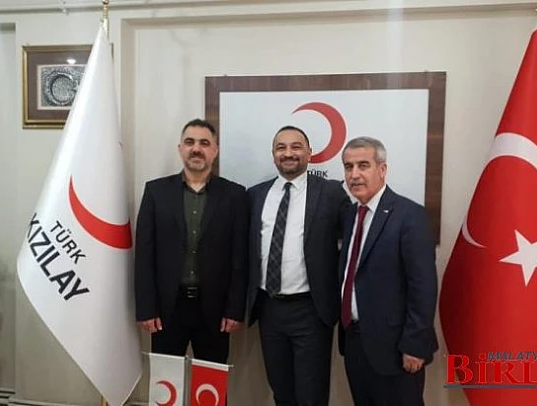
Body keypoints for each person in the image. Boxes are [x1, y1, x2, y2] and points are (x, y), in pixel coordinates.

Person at [247, 125, 350, 406]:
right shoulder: (255, 195)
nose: (288, 153)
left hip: (311, 310)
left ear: (309, 152)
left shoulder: (331, 193)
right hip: (269, 309)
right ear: (273, 154)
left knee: (311, 394)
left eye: (296, 146)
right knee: (281, 390)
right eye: (281, 147)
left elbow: (352, 245)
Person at [134, 118, 248, 364]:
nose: (196, 148)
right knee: (166, 381)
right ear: (180, 149)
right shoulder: (156, 192)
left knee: (211, 382)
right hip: (167, 308)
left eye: (204, 143)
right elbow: (144, 254)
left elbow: (240, 258)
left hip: (216, 310)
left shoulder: (235, 195)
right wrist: (146, 307)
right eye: (190, 142)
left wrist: (235, 309)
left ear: (215, 150)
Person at [338, 136, 438, 406]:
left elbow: (423, 287)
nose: (354, 175)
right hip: (356, 342)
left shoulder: (410, 215)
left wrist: (414, 345)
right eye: (348, 167)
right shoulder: (350, 215)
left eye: (363, 165)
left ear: (382, 169)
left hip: (396, 348)